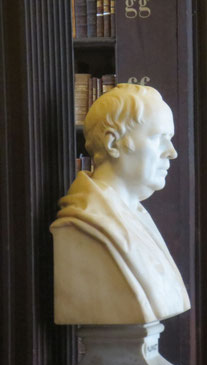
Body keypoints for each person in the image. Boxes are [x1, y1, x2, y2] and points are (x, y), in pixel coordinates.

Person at [51, 83, 191, 325]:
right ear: (113, 142)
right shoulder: (83, 225)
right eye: (160, 139)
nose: (172, 152)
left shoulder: (137, 215)